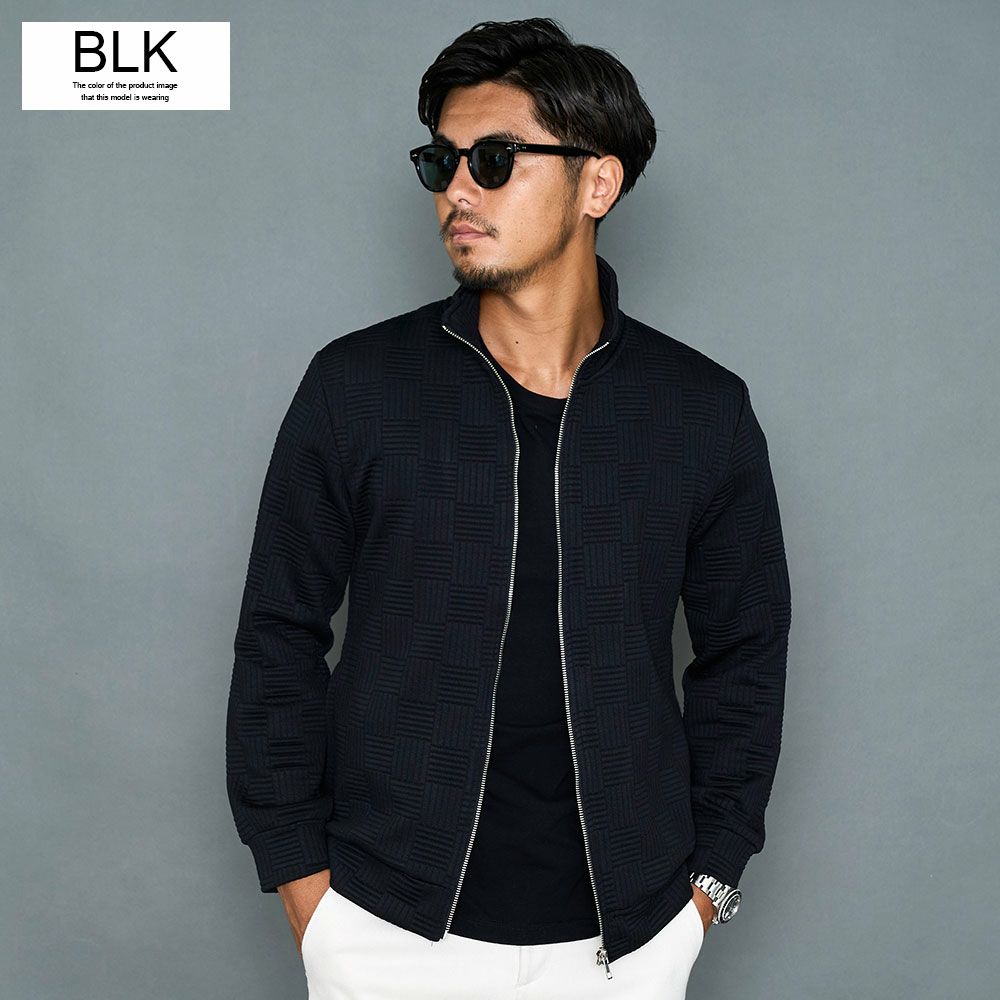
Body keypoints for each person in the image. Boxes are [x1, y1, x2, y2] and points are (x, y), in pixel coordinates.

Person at [226, 16, 791, 1000]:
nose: (457, 190)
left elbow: (745, 652)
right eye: (440, 161)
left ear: (597, 184)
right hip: (383, 927)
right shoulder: (357, 389)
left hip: (629, 939)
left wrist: (706, 887)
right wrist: (307, 890)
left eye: (494, 160)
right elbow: (277, 633)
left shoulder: (700, 412)